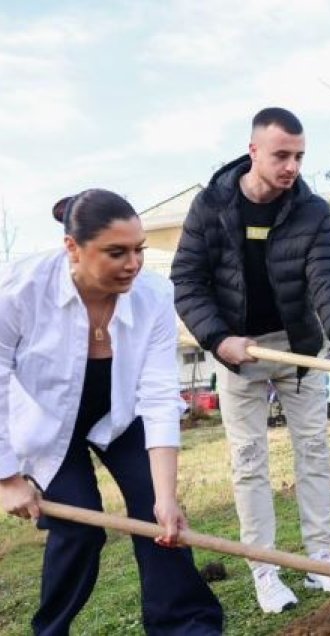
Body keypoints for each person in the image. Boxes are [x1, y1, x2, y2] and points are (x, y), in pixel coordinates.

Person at [170, 107, 330, 613]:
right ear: (254, 150)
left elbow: (326, 278)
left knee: (314, 450)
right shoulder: (211, 206)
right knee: (250, 461)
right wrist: (218, 339)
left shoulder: (311, 210)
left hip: (298, 348)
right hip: (239, 352)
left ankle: (321, 559)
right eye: (282, 155)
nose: (292, 167)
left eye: (300, 156)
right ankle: (265, 569)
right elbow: (188, 282)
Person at [0, 189, 223, 635]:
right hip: (46, 424)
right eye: (116, 252)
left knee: (159, 518)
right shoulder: (18, 289)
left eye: (138, 250)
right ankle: (50, 631)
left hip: (120, 413)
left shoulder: (154, 294)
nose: (133, 264)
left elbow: (159, 394)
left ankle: (185, 627)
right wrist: (6, 478)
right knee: (80, 528)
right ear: (73, 249)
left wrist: (165, 496)